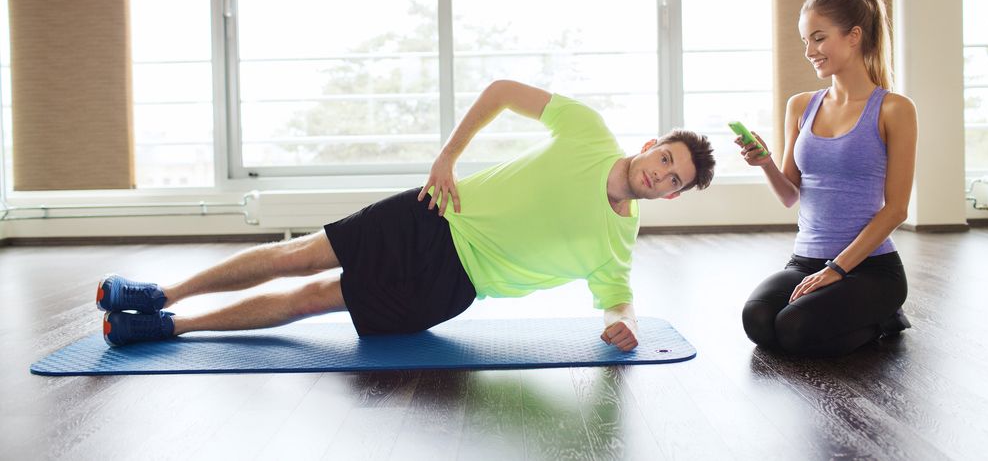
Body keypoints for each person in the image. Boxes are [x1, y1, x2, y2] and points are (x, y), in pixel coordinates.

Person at [97, 80, 716, 352]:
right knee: (296, 256)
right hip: (433, 217)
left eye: (673, 179)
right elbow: (502, 90)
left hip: (450, 288)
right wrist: (448, 154)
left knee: (314, 298)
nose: (660, 174)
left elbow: (617, 296)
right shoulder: (587, 131)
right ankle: (160, 294)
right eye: (665, 158)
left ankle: (171, 329)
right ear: (648, 145)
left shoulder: (619, 242)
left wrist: (624, 324)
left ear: (671, 197)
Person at [738, 0, 917, 357]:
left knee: (793, 328)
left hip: (870, 268)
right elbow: (790, 195)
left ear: (854, 37)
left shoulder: (894, 109)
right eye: (805, 40)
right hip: (805, 261)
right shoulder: (801, 105)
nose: (809, 51)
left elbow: (897, 209)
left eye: (819, 38)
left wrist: (836, 269)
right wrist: (765, 162)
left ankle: (885, 316)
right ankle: (853, 315)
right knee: (757, 320)